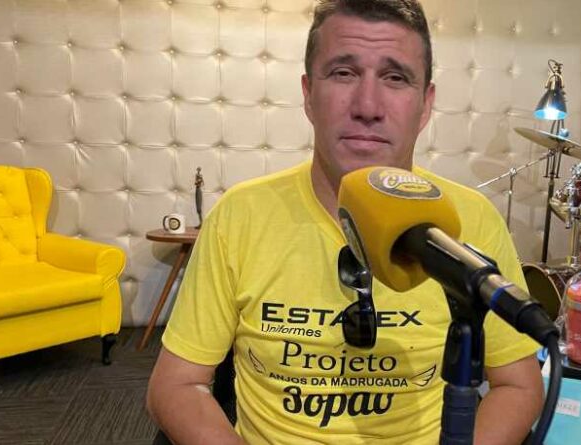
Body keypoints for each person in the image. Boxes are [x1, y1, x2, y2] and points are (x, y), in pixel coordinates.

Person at [146, 1, 544, 443]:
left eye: (395, 78)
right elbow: (176, 385)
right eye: (343, 73)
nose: (367, 106)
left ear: (425, 104)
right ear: (307, 94)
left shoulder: (470, 219)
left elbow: (519, 385)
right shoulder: (240, 216)